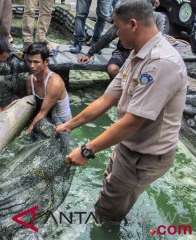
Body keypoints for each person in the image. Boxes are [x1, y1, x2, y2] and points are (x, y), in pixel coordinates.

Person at [57, 0, 187, 223]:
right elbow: (105, 99)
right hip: (128, 145)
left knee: (106, 215)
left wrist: (87, 150)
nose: (116, 34)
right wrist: (70, 125)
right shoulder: (137, 55)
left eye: (117, 27)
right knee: (111, 188)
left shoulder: (161, 63)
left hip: (145, 156)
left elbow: (132, 122)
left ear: (133, 24)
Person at [78, 0, 165, 79]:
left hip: (145, 54)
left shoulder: (157, 18)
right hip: (124, 52)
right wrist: (89, 54)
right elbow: (107, 37)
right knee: (113, 69)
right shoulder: (126, 17)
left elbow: (158, 40)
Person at [26, 43, 72, 133]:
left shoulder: (55, 83)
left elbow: (43, 112)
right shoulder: (30, 80)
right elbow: (30, 104)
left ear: (46, 61)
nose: (31, 65)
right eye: (29, 61)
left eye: (36, 62)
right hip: (45, 116)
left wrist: (27, 132)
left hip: (61, 123)